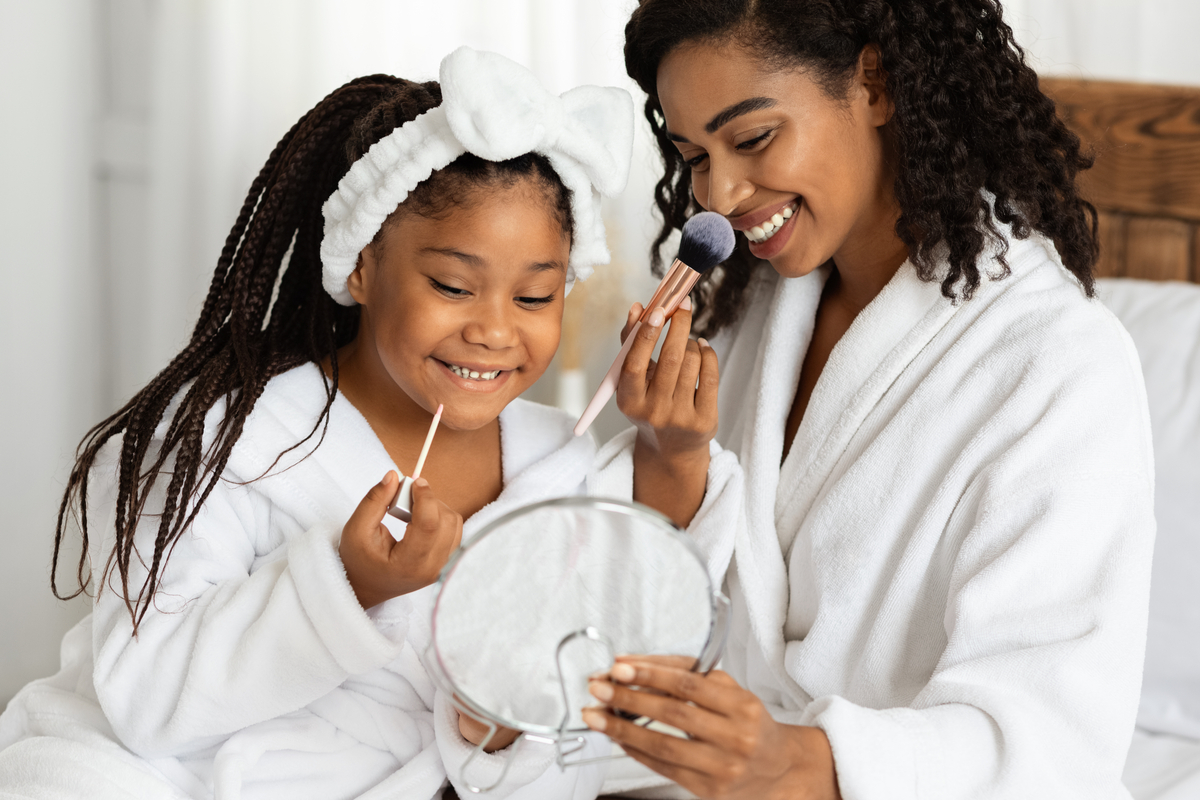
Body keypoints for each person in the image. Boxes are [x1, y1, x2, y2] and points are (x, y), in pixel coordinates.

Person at [0, 47, 645, 800]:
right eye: (452, 285)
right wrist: (345, 589)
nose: (495, 331)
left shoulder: (558, 466)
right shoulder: (236, 437)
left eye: (535, 298)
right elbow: (145, 696)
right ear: (361, 266)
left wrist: (496, 722)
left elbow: (568, 724)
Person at [585, 2, 1156, 799]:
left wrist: (800, 763)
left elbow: (1052, 740)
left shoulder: (1056, 363)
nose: (720, 193)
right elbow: (650, 605)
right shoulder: (743, 317)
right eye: (693, 157)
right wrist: (666, 458)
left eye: (752, 139)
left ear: (875, 83)